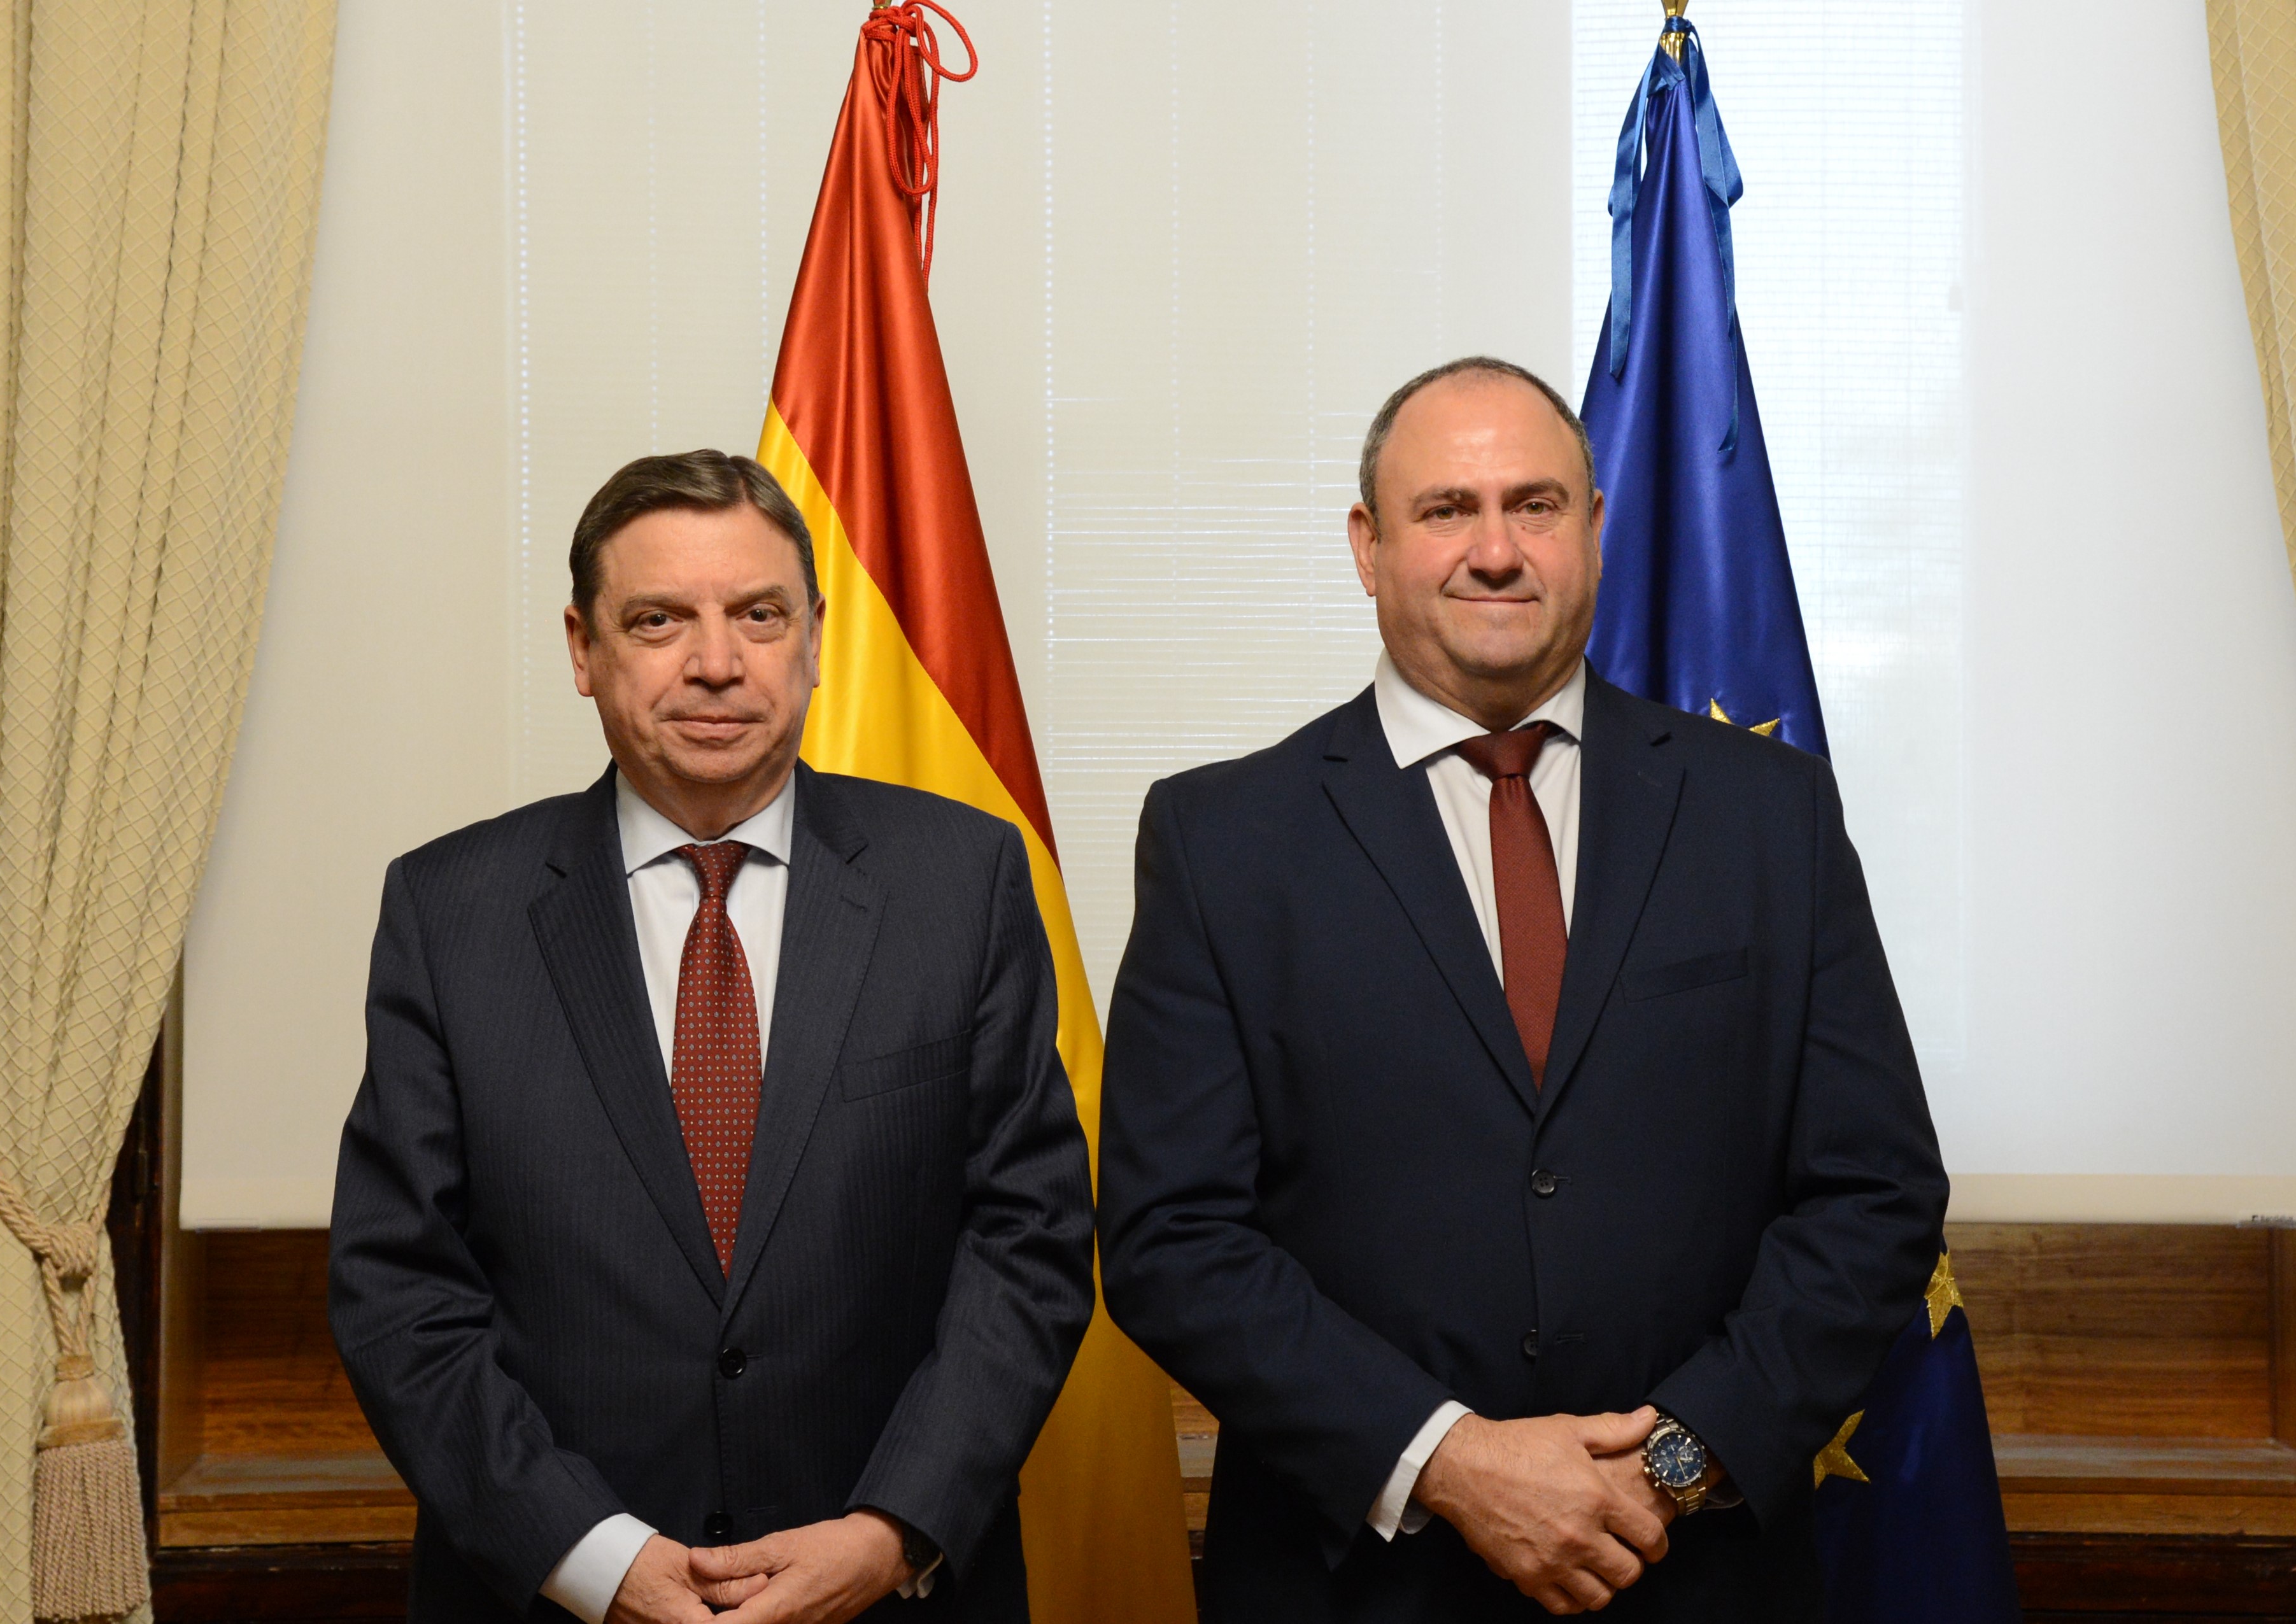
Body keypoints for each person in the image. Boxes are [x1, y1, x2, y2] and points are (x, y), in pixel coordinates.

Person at [1096, 358, 1948, 1621]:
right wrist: (1448, 1461)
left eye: (1534, 506)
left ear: (1592, 529)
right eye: (1445, 509)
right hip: (1356, 1589)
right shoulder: (1222, 840)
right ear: (1367, 546)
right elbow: (1168, 1238)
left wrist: (1671, 1466)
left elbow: (1876, 1191)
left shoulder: (1767, 816)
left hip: (1689, 1574)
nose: (1494, 551)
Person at [329, 451, 1094, 1624]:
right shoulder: (450, 911)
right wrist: (593, 1559)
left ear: (816, 639)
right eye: (658, 620)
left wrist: (890, 1533)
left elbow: (1028, 1245)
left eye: (758, 615)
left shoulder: (962, 881)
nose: (717, 663)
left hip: (888, 1593)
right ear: (583, 649)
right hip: (555, 1600)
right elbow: (400, 1290)